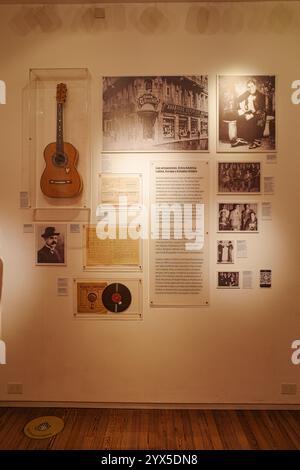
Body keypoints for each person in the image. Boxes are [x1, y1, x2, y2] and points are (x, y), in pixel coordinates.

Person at [231, 78, 266, 150]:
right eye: (248, 87)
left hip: (258, 113)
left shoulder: (261, 96)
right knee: (240, 116)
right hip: (249, 112)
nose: (250, 88)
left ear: (255, 86)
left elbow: (262, 109)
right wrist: (241, 110)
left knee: (260, 117)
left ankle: (257, 141)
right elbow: (237, 100)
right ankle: (242, 139)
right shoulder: (247, 93)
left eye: (252, 86)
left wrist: (251, 115)